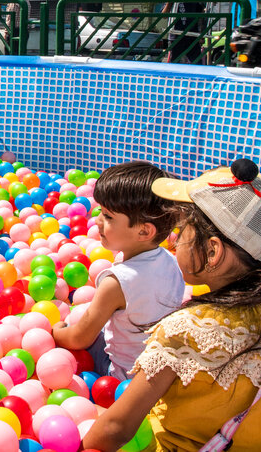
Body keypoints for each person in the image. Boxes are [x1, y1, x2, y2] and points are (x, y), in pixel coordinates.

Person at [83, 158, 261, 452]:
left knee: (90, 417)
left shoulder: (189, 330)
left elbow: (115, 429)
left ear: (211, 251)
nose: (173, 239)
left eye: (184, 228)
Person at [52, 161, 184, 380]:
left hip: (121, 375)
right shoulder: (171, 262)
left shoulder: (116, 283)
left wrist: (57, 332)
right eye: (101, 212)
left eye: (108, 216)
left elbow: (80, 338)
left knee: (66, 347)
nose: (97, 221)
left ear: (144, 231)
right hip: (157, 371)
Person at [162, 0, 206, 64]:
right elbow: (164, 15)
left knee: (197, 63)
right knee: (174, 62)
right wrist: (170, 1)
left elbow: (201, 15)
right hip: (176, 36)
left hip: (192, 35)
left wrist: (201, 34)